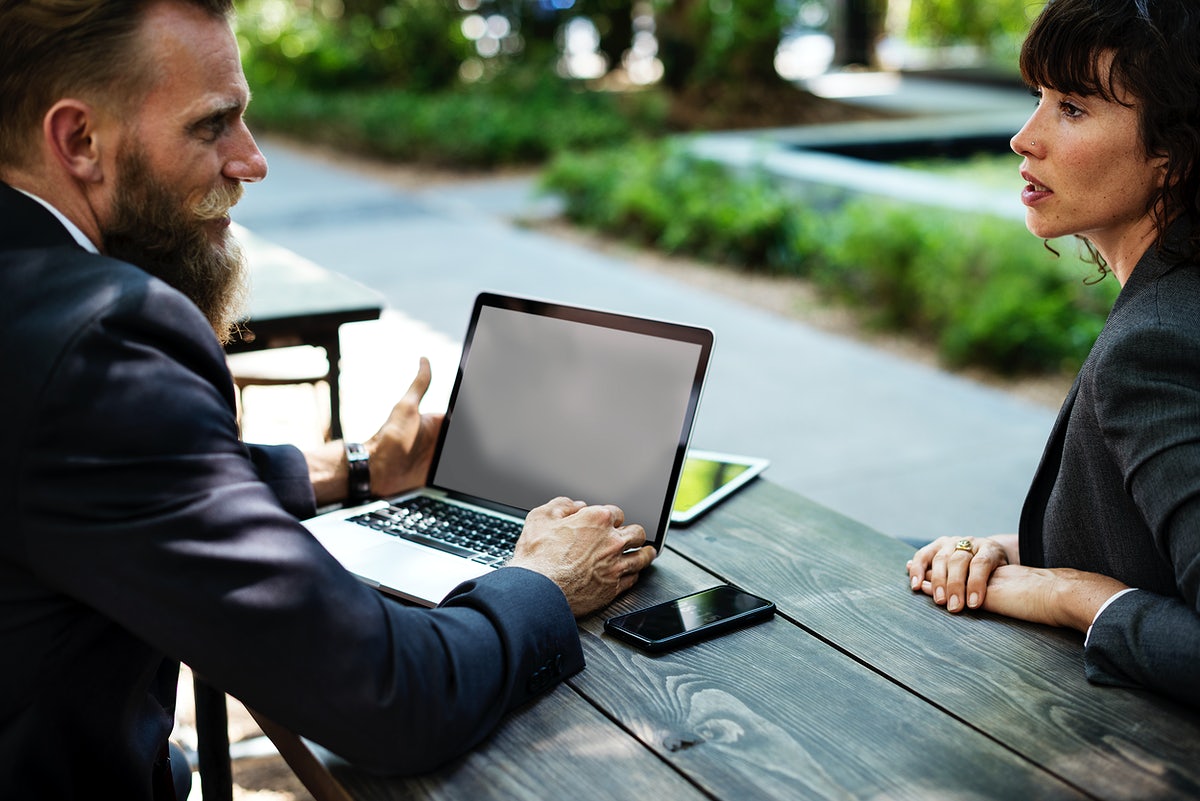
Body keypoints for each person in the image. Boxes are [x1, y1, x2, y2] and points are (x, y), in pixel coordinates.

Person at [0, 1, 657, 798]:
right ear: (78, 141)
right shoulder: (103, 336)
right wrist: (545, 580)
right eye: (213, 126)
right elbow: (391, 698)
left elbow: (81, 477)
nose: (252, 160)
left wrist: (354, 467)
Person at [906, 0, 1200, 710]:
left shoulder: (1155, 345)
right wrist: (1012, 550)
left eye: (1071, 107)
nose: (1022, 138)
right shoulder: (1173, 298)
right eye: (1037, 97)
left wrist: (1071, 595)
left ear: (1172, 152)